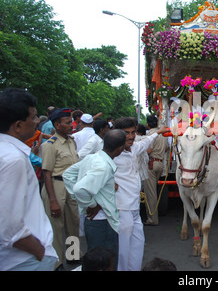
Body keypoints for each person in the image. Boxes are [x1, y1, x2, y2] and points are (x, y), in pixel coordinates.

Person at [0, 88, 58, 271]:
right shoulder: (13, 159)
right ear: (18, 126)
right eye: (33, 118)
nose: (36, 123)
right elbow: (9, 227)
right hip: (25, 260)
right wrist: (39, 250)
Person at [63, 129, 126, 270]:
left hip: (95, 222)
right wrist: (92, 204)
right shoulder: (103, 166)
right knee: (105, 264)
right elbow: (80, 189)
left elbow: (68, 175)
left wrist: (86, 202)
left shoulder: (93, 157)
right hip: (103, 223)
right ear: (120, 148)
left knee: (94, 263)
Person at [112, 117, 169, 271]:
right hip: (122, 209)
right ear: (117, 134)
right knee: (123, 251)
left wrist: (159, 132)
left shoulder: (134, 148)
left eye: (132, 132)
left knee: (137, 246)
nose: (130, 136)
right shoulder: (110, 154)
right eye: (126, 133)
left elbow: (146, 141)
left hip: (135, 208)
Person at [40, 107, 80, 270]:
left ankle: (73, 256)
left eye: (71, 121)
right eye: (68, 122)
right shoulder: (50, 145)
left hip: (71, 186)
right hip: (56, 186)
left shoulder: (72, 141)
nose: (72, 125)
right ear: (57, 125)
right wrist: (53, 200)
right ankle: (57, 263)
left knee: (73, 222)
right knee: (56, 227)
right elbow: (47, 173)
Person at [143, 115, 168, 226]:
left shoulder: (151, 135)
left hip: (151, 164)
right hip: (160, 163)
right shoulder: (163, 134)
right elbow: (167, 147)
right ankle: (153, 215)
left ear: (148, 124)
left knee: (150, 193)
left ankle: (152, 219)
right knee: (153, 192)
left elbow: (148, 150)